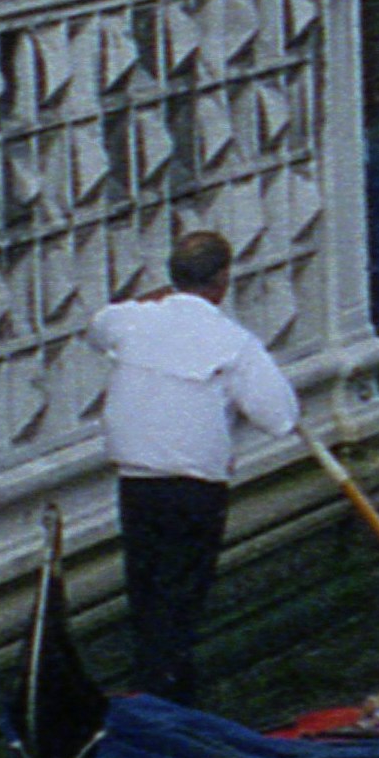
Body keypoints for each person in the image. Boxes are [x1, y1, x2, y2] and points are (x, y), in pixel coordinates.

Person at [89, 227, 297, 706]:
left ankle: (153, 688)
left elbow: (97, 327)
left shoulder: (130, 321)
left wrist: (148, 302)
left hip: (137, 480)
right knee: (181, 595)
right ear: (223, 280)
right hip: (194, 486)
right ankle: (165, 697)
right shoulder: (233, 342)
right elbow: (281, 418)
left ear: (171, 276)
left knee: (146, 588)